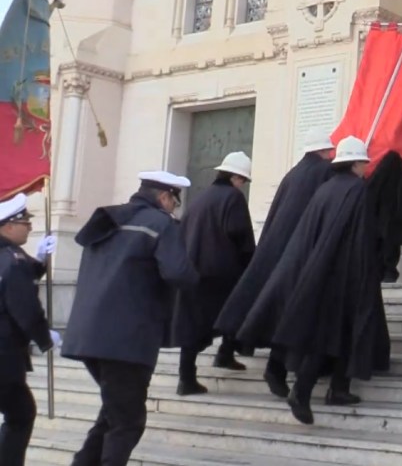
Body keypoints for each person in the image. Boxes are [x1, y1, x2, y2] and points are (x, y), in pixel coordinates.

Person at [63, 171, 199, 466]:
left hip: (87, 335)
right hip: (127, 340)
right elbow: (178, 273)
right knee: (127, 423)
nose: (174, 208)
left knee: (113, 415)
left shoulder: (108, 220)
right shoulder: (160, 223)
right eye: (174, 202)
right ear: (164, 197)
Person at [238, 137, 377, 425]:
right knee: (336, 335)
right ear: (355, 163)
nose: (366, 167)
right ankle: (306, 391)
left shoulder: (325, 190)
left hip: (316, 273)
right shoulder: (357, 191)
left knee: (328, 335)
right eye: (364, 162)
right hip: (344, 276)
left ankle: (336, 389)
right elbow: (361, 238)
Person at [215, 127, 335, 398]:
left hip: (276, 251)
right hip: (301, 254)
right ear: (326, 151)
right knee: (292, 312)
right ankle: (278, 368)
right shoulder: (324, 172)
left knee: (261, 306)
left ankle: (231, 350)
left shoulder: (292, 174)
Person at [173, 151, 256, 396]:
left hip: (194, 272)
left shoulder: (201, 198)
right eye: (243, 180)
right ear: (236, 177)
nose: (243, 184)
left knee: (193, 326)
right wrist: (251, 262)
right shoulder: (233, 198)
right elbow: (240, 235)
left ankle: (187, 376)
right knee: (234, 311)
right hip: (222, 273)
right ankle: (223, 356)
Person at [0, 193, 59, 466]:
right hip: (4, 355)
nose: (30, 226)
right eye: (24, 221)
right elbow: (24, 306)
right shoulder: (12, 259)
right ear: (8, 226)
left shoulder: (12, 257)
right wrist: (45, 337)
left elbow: (20, 277)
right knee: (21, 414)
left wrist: (40, 260)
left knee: (19, 412)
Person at [365, 150, 402, 372]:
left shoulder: (375, 182)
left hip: (377, 230)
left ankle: (384, 272)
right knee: (390, 254)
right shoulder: (401, 179)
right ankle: (389, 272)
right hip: (393, 227)